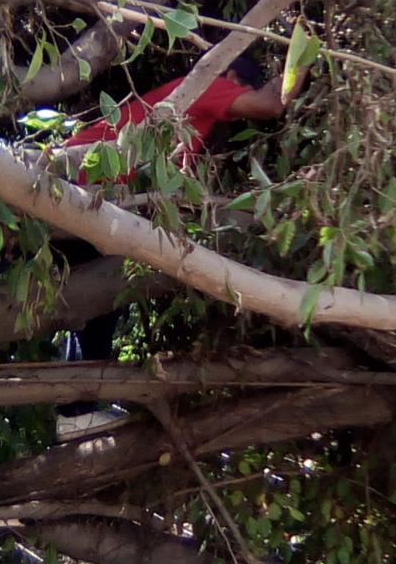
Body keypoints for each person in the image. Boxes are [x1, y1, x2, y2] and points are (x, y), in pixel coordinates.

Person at [55, 55, 309, 439]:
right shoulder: (209, 84)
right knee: (91, 293)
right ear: (233, 77)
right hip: (87, 185)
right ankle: (75, 410)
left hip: (96, 192)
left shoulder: (186, 122)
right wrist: (304, 53)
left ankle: (76, 413)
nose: (235, 111)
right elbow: (270, 103)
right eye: (241, 91)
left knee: (98, 301)